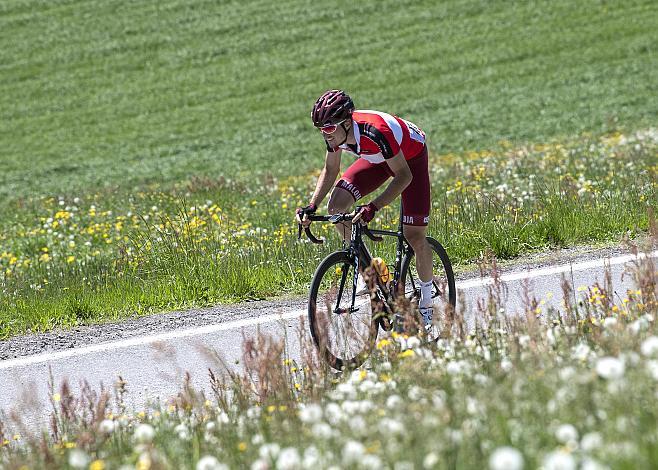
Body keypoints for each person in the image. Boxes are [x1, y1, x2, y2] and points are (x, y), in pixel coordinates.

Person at [296, 89, 436, 326]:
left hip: (410, 160)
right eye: (321, 129)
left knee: (414, 235)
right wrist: (311, 205)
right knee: (337, 208)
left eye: (329, 129)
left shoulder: (375, 131)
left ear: (347, 123)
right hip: (378, 160)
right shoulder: (336, 135)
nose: (325, 134)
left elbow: (403, 177)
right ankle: (372, 273)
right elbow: (331, 170)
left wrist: (374, 206)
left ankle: (426, 302)